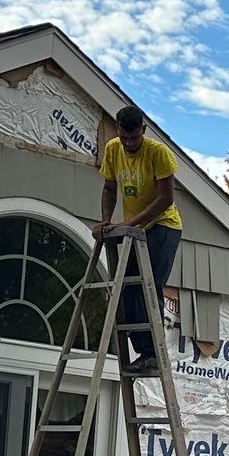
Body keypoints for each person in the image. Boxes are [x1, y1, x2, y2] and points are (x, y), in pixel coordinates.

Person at [93, 103, 183, 376]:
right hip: (135, 228)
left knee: (148, 284)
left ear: (143, 130)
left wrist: (130, 223)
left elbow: (166, 198)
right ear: (118, 132)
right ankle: (140, 348)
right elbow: (109, 188)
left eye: (135, 137)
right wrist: (107, 221)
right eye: (125, 138)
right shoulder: (113, 149)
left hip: (163, 225)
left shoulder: (158, 153)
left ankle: (152, 355)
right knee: (129, 285)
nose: (130, 143)